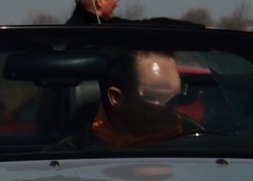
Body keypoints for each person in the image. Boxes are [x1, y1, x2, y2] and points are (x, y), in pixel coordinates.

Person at [52, 49, 199, 150]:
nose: (172, 108)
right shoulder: (67, 157)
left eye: (177, 97)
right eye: (157, 96)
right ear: (116, 98)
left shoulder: (199, 144)